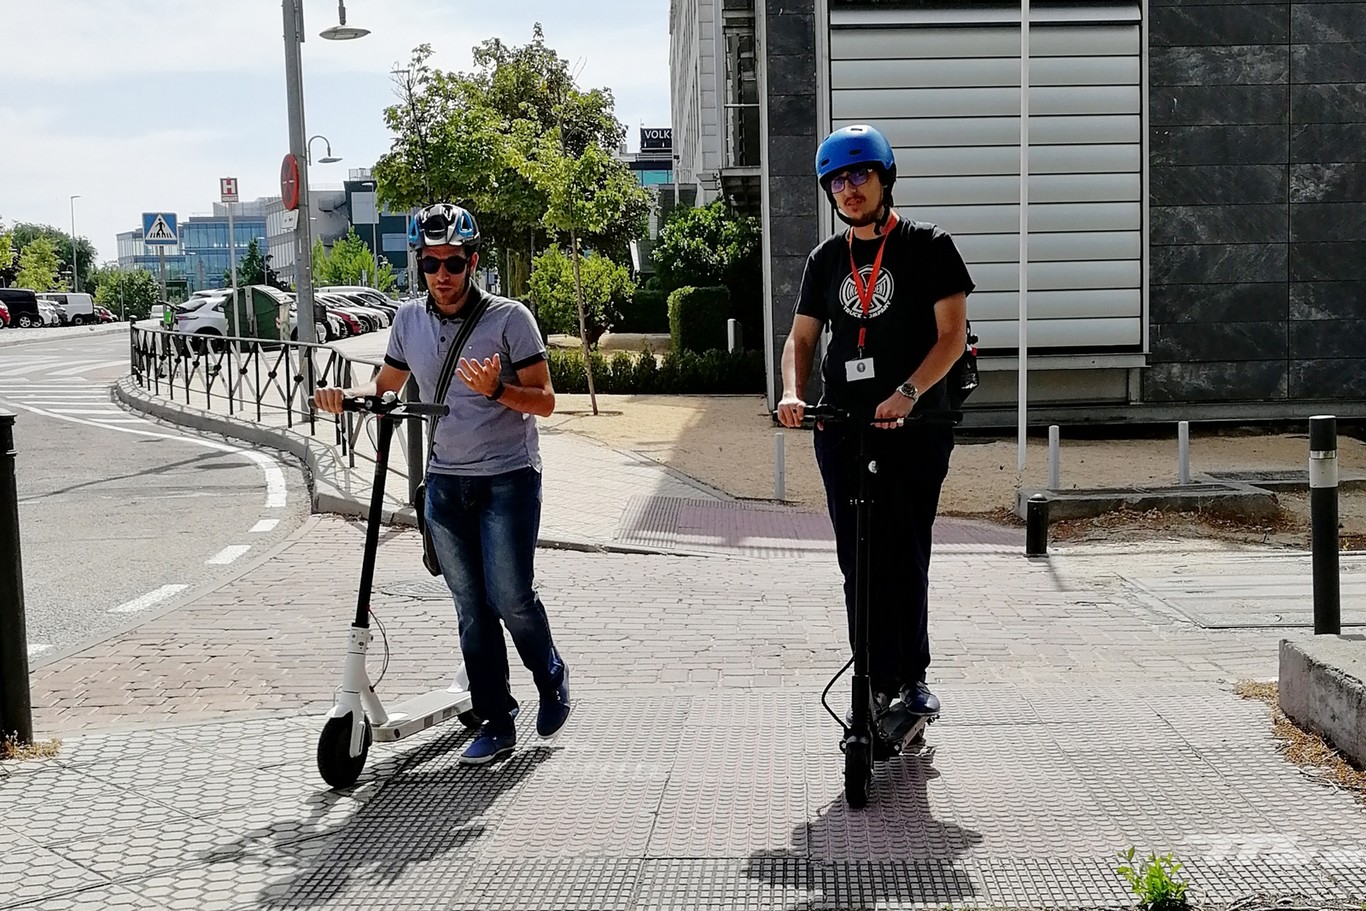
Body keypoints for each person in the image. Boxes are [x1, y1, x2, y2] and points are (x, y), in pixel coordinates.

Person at [314, 203, 570, 766]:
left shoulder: (510, 319)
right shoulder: (408, 321)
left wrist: (498, 390)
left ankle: (551, 679)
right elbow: (386, 386)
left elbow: (546, 401)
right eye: (431, 264)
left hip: (508, 479)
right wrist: (347, 397)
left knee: (509, 597)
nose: (442, 275)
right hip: (446, 484)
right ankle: (496, 719)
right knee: (471, 609)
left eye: (453, 262)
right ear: (420, 267)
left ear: (472, 261)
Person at [775, 124, 974, 724]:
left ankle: (911, 678)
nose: (848, 189)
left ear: (884, 178)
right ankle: (870, 673)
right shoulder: (825, 260)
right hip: (843, 425)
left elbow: (951, 337)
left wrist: (908, 393)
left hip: (915, 426)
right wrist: (791, 391)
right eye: (836, 180)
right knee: (856, 554)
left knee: (903, 547)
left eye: (859, 175)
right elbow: (802, 337)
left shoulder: (929, 246)